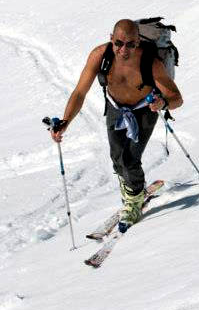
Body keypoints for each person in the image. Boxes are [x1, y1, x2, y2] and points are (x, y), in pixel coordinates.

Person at [51, 19, 183, 228]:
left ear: (138, 42)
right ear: (111, 39)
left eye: (131, 44)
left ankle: (134, 199)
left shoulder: (150, 62)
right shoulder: (100, 56)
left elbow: (177, 98)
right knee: (117, 158)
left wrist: (163, 102)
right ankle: (133, 189)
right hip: (115, 107)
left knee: (130, 159)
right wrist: (66, 120)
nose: (124, 49)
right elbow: (79, 92)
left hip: (145, 109)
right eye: (119, 43)